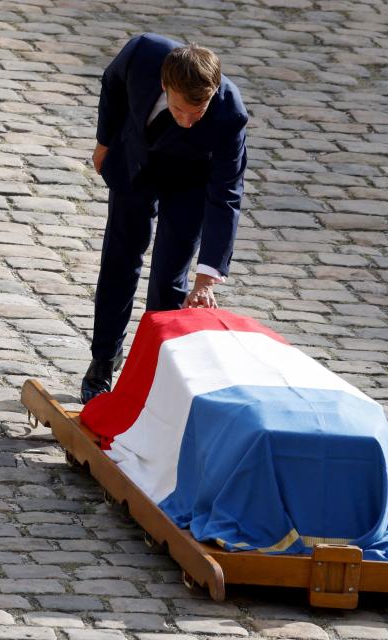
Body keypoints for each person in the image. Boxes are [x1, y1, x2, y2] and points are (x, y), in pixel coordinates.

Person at [81, 33, 249, 404]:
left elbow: (227, 195)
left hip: (189, 182)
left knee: (170, 280)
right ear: (164, 85)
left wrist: (207, 278)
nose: (187, 121)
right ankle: (103, 361)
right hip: (134, 162)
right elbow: (112, 82)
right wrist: (105, 141)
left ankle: (154, 377)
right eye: (178, 111)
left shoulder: (230, 114)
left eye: (197, 112)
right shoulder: (142, 53)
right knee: (119, 261)